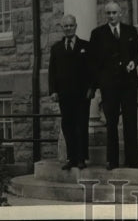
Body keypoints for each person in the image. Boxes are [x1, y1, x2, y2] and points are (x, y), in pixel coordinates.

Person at [89, 1, 138, 169]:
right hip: (109, 86)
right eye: (108, 13)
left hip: (128, 84)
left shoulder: (130, 31)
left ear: (120, 13)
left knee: (130, 121)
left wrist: (133, 63)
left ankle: (133, 159)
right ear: (105, 15)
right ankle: (112, 160)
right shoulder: (98, 34)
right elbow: (93, 61)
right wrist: (98, 83)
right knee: (111, 122)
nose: (111, 16)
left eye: (114, 13)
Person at [47, 14, 91, 169]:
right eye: (65, 26)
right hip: (64, 95)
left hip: (82, 94)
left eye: (71, 25)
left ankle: (81, 158)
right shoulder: (56, 48)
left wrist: (91, 88)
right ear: (62, 28)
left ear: (76, 26)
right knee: (68, 126)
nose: (68, 28)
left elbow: (91, 70)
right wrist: (53, 91)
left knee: (81, 125)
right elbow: (52, 71)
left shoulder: (85, 46)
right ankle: (71, 158)